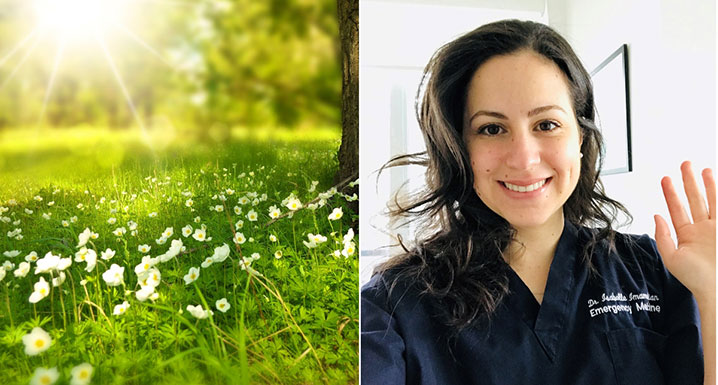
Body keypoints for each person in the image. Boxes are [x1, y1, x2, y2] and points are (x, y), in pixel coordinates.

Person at [360, 19, 715, 385]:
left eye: (546, 124)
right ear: (460, 150)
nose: (524, 159)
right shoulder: (393, 303)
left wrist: (713, 294)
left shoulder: (652, 269)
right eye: (492, 129)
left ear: (580, 136)